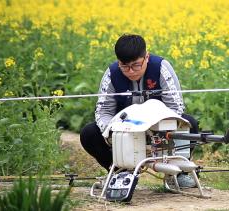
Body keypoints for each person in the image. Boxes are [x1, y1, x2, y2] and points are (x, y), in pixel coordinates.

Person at [80, 34, 197, 187]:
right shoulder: (112, 73)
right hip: (123, 130)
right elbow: (103, 111)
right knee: (89, 133)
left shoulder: (161, 67)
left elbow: (176, 107)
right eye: (124, 66)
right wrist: (112, 130)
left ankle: (178, 173)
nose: (131, 71)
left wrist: (154, 128)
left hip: (157, 128)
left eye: (136, 65)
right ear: (118, 62)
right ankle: (119, 173)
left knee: (191, 124)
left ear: (146, 57)